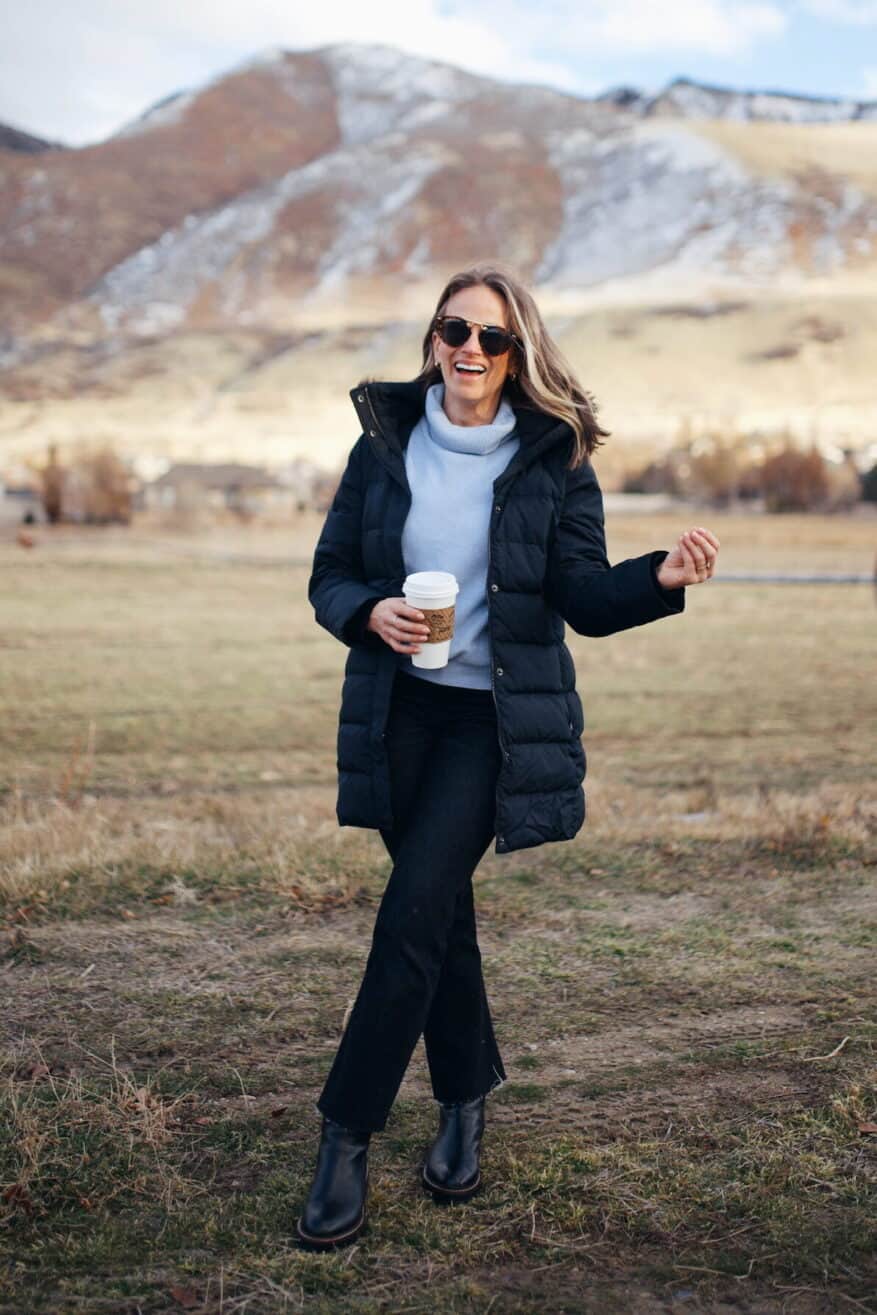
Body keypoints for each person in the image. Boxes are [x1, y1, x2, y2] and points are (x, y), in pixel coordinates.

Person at [297, 263, 720, 1249]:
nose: (472, 352)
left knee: (409, 917)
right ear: (433, 341)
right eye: (455, 331)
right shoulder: (382, 448)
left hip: (488, 729)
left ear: (518, 353)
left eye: (493, 338)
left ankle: (344, 1134)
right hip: (398, 715)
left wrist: (656, 576)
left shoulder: (554, 459)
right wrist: (369, 611)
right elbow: (328, 577)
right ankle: (465, 1101)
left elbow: (580, 597)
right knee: (440, 918)